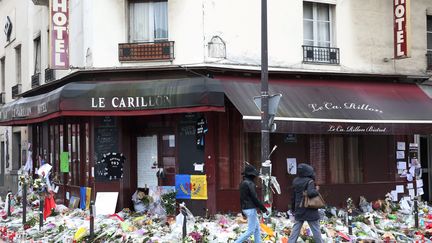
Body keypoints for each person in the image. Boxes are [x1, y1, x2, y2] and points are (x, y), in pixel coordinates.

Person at [288, 163, 323, 243]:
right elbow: (311, 193)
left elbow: (293, 196)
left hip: (299, 208)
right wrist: (316, 190)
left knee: (295, 230)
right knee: (316, 230)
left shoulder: (295, 181)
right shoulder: (309, 181)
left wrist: (293, 208)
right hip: (310, 209)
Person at [235, 163, 267, 243]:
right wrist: (263, 209)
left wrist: (242, 211)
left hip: (246, 208)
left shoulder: (242, 183)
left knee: (256, 228)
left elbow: (241, 198)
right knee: (251, 231)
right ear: (252, 175)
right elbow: (255, 198)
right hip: (251, 209)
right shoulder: (250, 184)